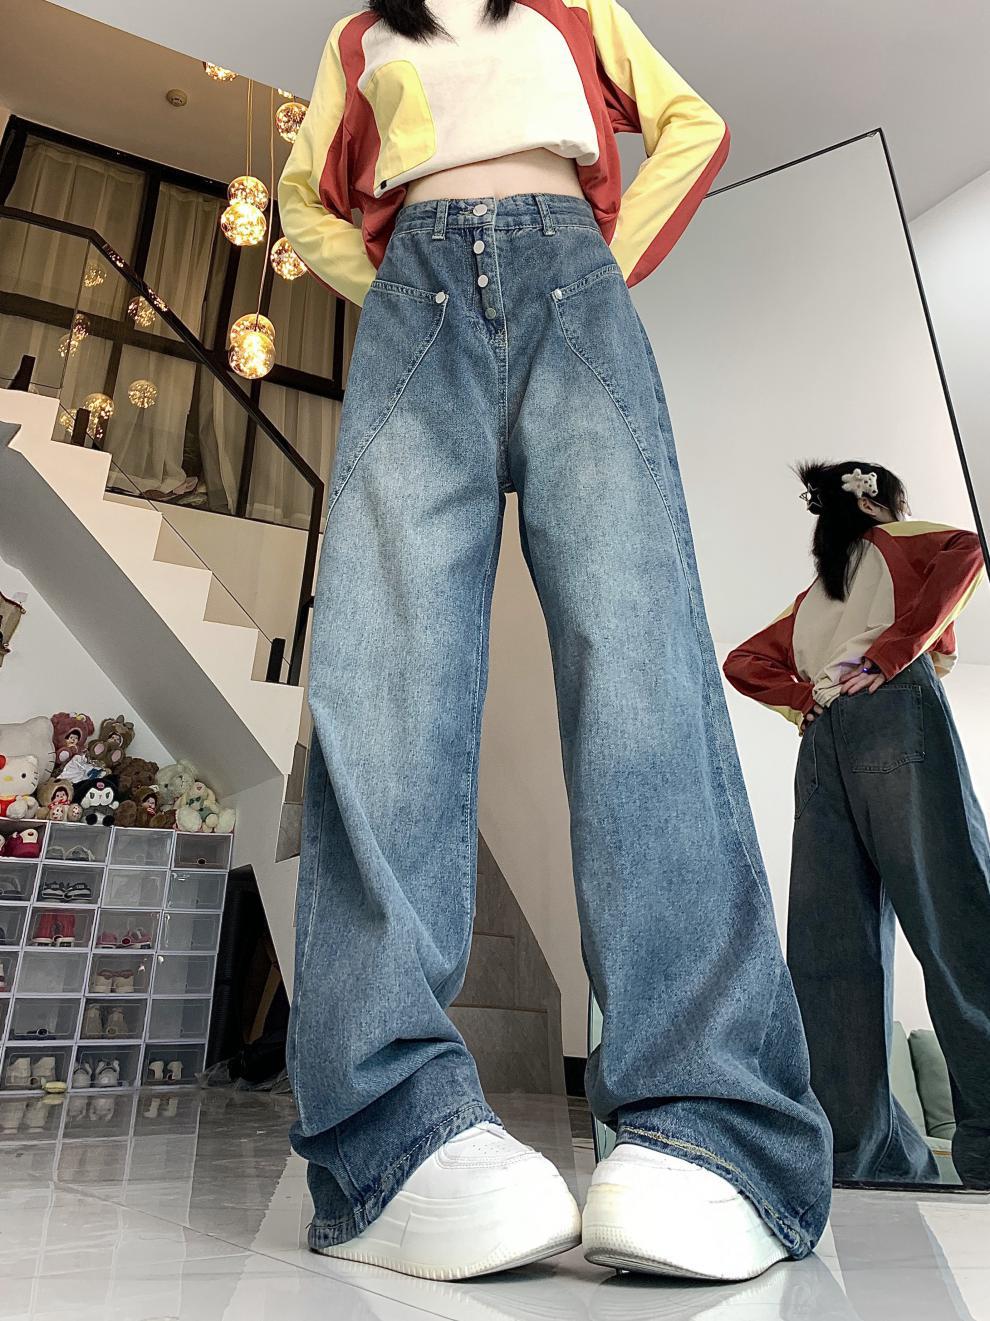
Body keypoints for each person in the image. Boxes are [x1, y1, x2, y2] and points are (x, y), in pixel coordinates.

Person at [278, 0, 832, 1282]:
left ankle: (710, 1123)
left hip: (573, 275)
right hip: (414, 300)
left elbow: (693, 123)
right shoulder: (361, 34)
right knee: (387, 677)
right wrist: (390, 284)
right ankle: (387, 1138)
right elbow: (304, 196)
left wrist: (600, 263)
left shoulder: (578, 8)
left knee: (640, 667)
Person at [724, 460, 989, 1189]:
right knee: (954, 920)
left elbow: (744, 661)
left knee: (830, 953)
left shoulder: (814, 596)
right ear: (875, 502)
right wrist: (893, 651)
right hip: (891, 716)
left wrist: (803, 697)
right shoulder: (895, 541)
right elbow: (969, 548)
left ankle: (857, 1156)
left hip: (822, 744)